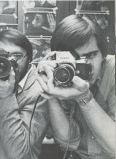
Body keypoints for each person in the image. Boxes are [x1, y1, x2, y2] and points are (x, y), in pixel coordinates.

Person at [36, 15, 115, 159]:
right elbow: (68, 143)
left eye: (90, 56)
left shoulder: (113, 70)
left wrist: (84, 97)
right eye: (75, 59)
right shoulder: (62, 74)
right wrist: (51, 95)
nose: (85, 66)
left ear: (103, 54)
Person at [0, 29, 49, 159]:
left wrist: (6, 98)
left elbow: (20, 153)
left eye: (16, 56)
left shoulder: (40, 91)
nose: (6, 63)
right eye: (1, 56)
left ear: (30, 58)